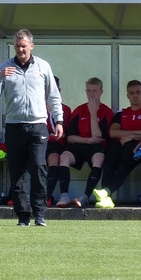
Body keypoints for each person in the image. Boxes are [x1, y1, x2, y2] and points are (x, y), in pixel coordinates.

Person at [0, 29, 64, 227]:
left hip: (38, 126)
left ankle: (40, 214)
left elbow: (53, 96)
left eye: (23, 46)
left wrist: (59, 121)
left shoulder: (42, 66)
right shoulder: (5, 67)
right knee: (18, 173)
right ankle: (23, 216)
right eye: (17, 46)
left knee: (38, 167)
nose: (20, 50)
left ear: (31, 46)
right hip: (14, 127)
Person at [92, 79, 141, 208]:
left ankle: (106, 193)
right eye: (131, 93)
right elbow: (113, 132)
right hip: (121, 144)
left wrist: (129, 135)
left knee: (127, 157)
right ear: (127, 96)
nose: (135, 96)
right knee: (110, 157)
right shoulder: (121, 113)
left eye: (138, 92)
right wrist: (135, 133)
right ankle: (106, 197)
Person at [54, 77, 111, 208]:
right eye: (89, 91)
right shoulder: (79, 110)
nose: (91, 94)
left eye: (95, 91)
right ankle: (64, 196)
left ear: (101, 92)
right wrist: (87, 140)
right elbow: (70, 138)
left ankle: (85, 196)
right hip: (80, 144)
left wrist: (93, 113)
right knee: (64, 157)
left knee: (99, 159)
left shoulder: (106, 112)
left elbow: (98, 136)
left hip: (97, 146)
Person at [44, 76, 71, 206]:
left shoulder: (65, 110)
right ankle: (14, 196)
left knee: (54, 158)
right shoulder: (36, 108)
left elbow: (65, 134)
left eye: (52, 90)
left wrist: (50, 134)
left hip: (56, 144)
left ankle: (47, 196)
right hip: (38, 143)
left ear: (58, 91)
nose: (48, 93)